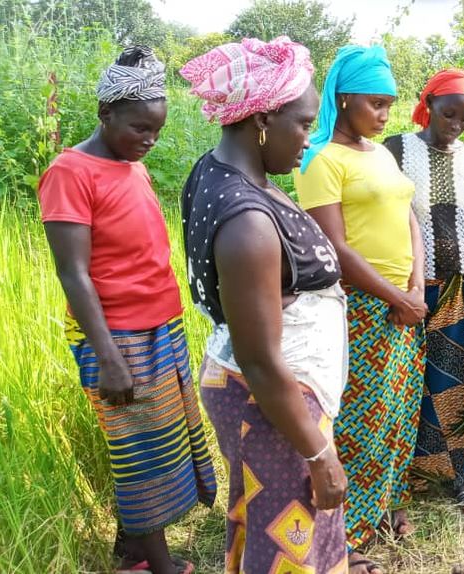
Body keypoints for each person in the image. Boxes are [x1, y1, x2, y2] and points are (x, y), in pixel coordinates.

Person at [38, 46, 216, 574]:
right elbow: (73, 273)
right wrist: (108, 355)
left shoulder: (129, 164)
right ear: (105, 114)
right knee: (142, 450)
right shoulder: (71, 172)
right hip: (117, 335)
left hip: (159, 325)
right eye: (140, 128)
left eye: (156, 131)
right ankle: (159, 565)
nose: (149, 140)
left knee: (160, 438)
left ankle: (131, 548)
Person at [179, 37, 348, 572]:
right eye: (302, 124)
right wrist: (320, 458)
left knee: (268, 530)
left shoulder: (220, 171)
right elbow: (261, 359)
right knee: (291, 547)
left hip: (263, 394)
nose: (309, 140)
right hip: (271, 400)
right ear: (262, 118)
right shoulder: (247, 222)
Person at [294, 44, 424, 573]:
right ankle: (347, 532)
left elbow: (408, 214)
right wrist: (396, 297)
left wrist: (415, 285)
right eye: (376, 103)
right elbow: (336, 249)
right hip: (361, 310)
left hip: (404, 304)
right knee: (359, 423)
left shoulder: (382, 152)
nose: (385, 115)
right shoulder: (319, 159)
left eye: (391, 104)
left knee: (398, 411)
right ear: (344, 99)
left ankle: (388, 503)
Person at [382, 68, 464, 516]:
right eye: (448, 115)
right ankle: (407, 474)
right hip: (409, 287)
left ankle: (463, 474)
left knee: (461, 381)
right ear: (427, 106)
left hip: (462, 283)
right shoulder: (394, 150)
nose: (455, 126)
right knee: (409, 381)